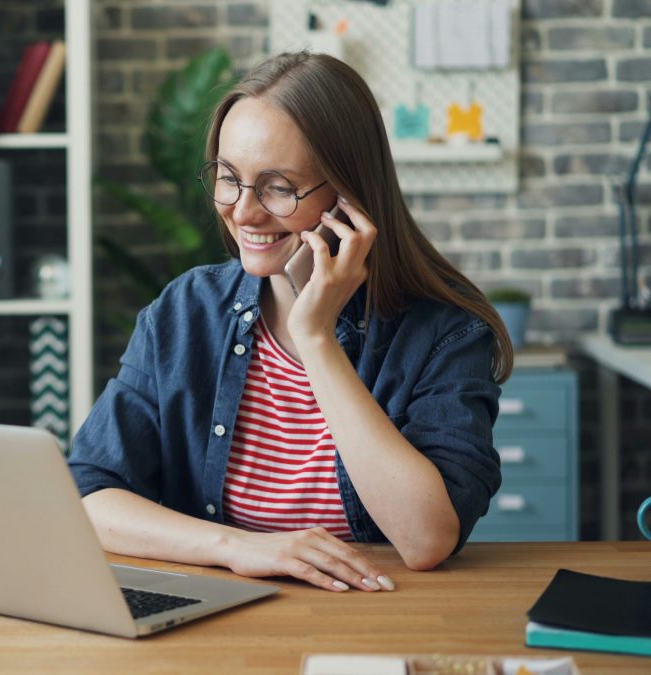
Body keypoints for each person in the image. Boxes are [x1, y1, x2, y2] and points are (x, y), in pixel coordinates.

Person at [67, 51, 512, 593]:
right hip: (226, 617)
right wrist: (237, 547)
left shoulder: (444, 331)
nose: (244, 212)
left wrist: (317, 336)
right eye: (229, 178)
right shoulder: (185, 311)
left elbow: (425, 540)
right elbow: (90, 494)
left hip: (381, 617)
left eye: (279, 187)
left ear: (349, 195)